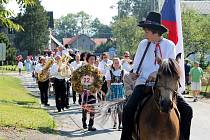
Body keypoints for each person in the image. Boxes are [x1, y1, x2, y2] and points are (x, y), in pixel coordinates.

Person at [121, 12, 193, 140]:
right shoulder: (143, 44)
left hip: (165, 84)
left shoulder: (169, 45)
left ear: (154, 31)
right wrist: (133, 73)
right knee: (128, 109)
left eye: (146, 31)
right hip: (144, 83)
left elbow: (171, 66)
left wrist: (156, 72)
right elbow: (137, 65)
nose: (145, 34)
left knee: (187, 110)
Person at [106, 57, 125, 129]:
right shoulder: (109, 71)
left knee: (120, 108)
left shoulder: (123, 71)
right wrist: (109, 90)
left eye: (118, 63)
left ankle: (120, 124)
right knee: (113, 108)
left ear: (120, 63)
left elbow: (124, 82)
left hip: (120, 89)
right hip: (113, 89)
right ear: (113, 64)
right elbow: (108, 83)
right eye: (115, 63)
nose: (117, 64)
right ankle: (115, 122)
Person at [81, 53, 98, 131]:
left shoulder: (96, 69)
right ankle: (84, 121)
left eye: (93, 59)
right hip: (85, 91)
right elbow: (80, 80)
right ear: (87, 60)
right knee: (85, 108)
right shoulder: (84, 69)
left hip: (93, 92)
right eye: (91, 59)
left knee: (92, 108)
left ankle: (90, 125)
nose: (92, 60)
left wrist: (95, 89)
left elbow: (98, 81)